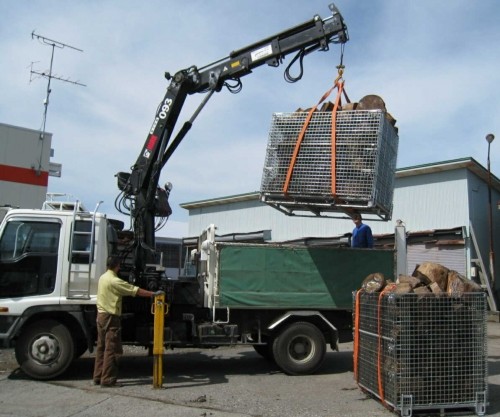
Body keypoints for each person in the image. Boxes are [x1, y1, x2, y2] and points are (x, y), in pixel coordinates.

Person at [92, 255, 163, 387]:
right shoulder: (115, 281)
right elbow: (134, 290)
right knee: (112, 349)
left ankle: (97, 376)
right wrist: (153, 294)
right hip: (111, 317)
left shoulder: (103, 277)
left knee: (101, 348)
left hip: (101, 316)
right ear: (117, 265)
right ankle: (107, 380)